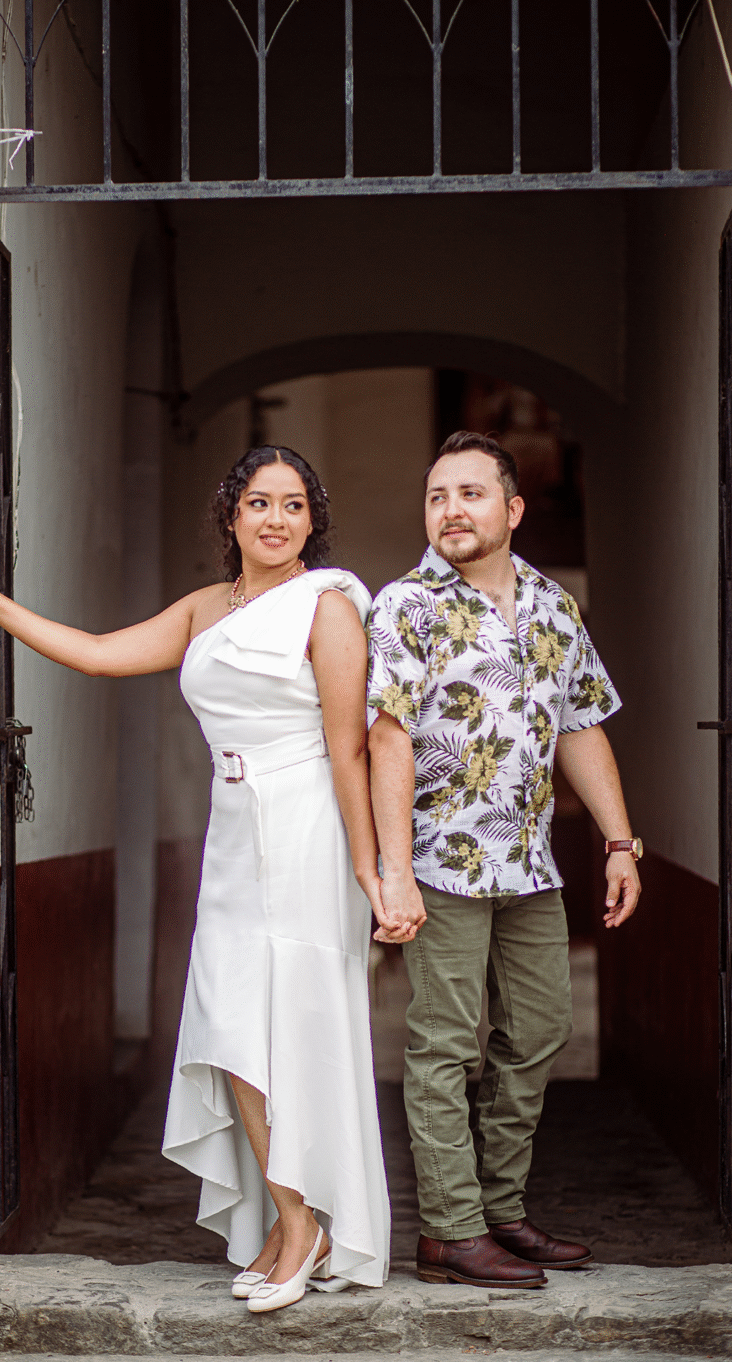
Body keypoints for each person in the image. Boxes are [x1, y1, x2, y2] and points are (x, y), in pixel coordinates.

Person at [0, 444, 393, 1312]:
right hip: (233, 827)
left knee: (294, 1025)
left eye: (294, 505)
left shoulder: (329, 605)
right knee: (230, 1024)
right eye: (259, 502)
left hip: (307, 826)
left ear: (312, 521)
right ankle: (291, 1217)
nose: (276, 519)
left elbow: (351, 746)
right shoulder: (208, 607)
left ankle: (303, 1222)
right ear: (230, 515)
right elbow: (99, 653)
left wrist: (370, 864)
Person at [366, 430, 641, 1291]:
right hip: (441, 864)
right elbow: (388, 737)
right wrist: (396, 869)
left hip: (529, 867)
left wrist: (620, 841)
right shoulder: (406, 604)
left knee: (541, 1029)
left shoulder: (555, 605)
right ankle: (450, 1231)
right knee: (446, 1045)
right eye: (437, 495)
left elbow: (580, 724)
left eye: (471, 492)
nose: (451, 509)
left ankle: (499, 1210)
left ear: (513, 509)